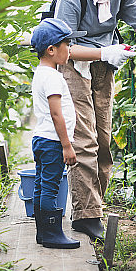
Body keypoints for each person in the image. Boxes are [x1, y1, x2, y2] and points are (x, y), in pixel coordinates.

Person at [54, 0, 136, 240]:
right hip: (73, 66)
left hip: (104, 67)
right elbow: (62, 49)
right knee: (84, 139)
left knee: (104, 138)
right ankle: (86, 214)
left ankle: (93, 205)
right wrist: (103, 51)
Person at [29, 18, 87, 249]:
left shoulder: (41, 72)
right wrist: (67, 145)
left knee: (41, 185)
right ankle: (52, 233)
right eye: (67, 44)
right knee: (51, 187)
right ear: (52, 49)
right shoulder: (53, 76)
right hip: (53, 142)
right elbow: (56, 114)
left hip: (41, 139)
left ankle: (43, 233)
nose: (70, 49)